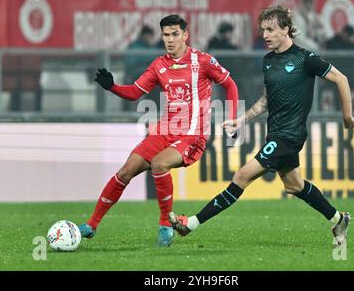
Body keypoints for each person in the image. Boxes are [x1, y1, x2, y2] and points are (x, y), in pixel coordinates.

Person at [169, 5, 354, 247]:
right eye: (263, 30)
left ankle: (191, 224)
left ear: (286, 29)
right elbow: (267, 100)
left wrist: (347, 115)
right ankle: (339, 219)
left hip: (289, 135)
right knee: (294, 185)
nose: (265, 35)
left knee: (241, 176)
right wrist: (242, 119)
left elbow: (341, 79)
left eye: (270, 29)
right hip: (276, 132)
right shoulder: (268, 60)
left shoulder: (306, 59)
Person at [79, 15, 239, 247]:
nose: (170, 40)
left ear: (185, 35)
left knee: (159, 164)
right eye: (166, 35)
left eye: (175, 34)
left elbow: (230, 84)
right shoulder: (159, 65)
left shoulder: (202, 61)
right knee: (126, 171)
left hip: (192, 135)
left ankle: (166, 226)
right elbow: (135, 92)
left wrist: (233, 118)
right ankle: (92, 225)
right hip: (164, 131)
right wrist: (111, 87)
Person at [325, 24, 354, 111]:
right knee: (337, 85)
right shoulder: (333, 43)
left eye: (349, 36)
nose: (347, 37)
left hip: (349, 78)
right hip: (334, 78)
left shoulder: (352, 46)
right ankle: (337, 114)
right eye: (346, 34)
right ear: (343, 32)